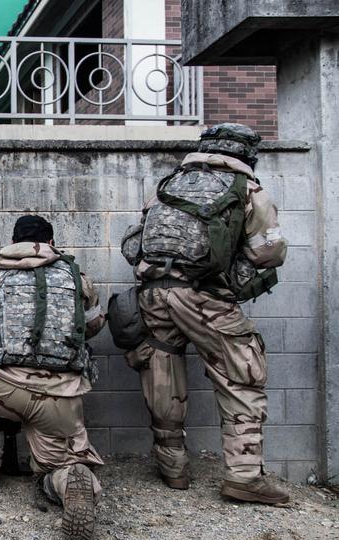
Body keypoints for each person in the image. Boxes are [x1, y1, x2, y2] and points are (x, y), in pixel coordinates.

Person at [120, 123, 290, 504]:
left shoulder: (169, 184)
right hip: (204, 296)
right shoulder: (247, 190)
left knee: (162, 371)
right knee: (241, 373)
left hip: (152, 292)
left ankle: (173, 467)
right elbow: (270, 252)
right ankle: (244, 476)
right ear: (246, 154)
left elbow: (135, 242)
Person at [0, 214, 106, 540]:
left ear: (13, 242)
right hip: (59, 396)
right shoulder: (76, 276)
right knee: (63, 463)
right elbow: (93, 323)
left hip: (4, 391)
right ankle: (68, 481)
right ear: (51, 242)